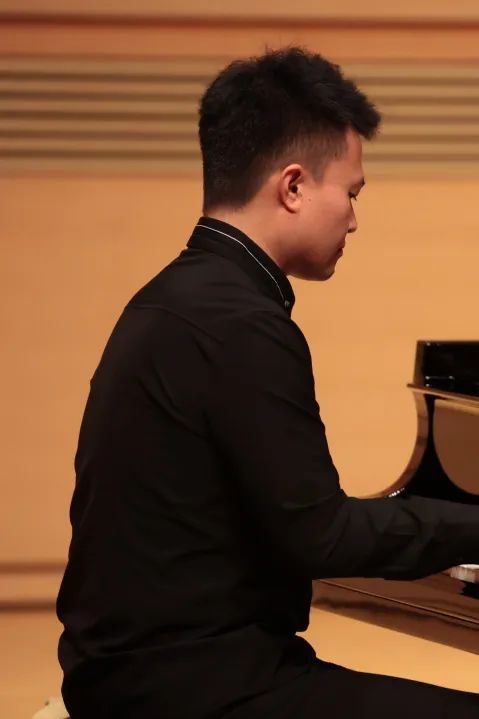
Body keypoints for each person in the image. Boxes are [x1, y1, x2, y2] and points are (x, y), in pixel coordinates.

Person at [57, 47, 479, 718]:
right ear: (292, 187)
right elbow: (322, 537)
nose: (353, 218)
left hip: (140, 671)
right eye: (351, 193)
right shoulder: (240, 325)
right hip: (191, 688)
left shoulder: (172, 298)